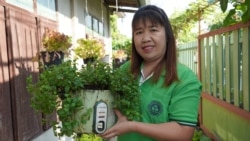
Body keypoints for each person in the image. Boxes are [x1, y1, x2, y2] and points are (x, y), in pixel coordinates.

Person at [101, 5, 202, 141]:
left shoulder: (184, 78)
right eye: (139, 32)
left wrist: (133, 126)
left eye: (153, 30)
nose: (145, 38)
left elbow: (183, 132)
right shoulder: (125, 71)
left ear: (167, 35)